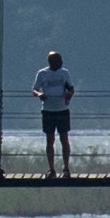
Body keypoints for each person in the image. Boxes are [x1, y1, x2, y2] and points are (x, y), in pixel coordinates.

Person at [32, 49, 78, 180]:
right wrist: (40, 94)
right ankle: (51, 169)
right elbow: (34, 89)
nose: (61, 62)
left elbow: (71, 88)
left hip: (62, 109)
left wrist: (69, 95)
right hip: (48, 110)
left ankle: (66, 168)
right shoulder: (42, 73)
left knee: (64, 139)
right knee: (50, 139)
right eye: (58, 60)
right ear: (52, 61)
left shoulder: (64, 73)